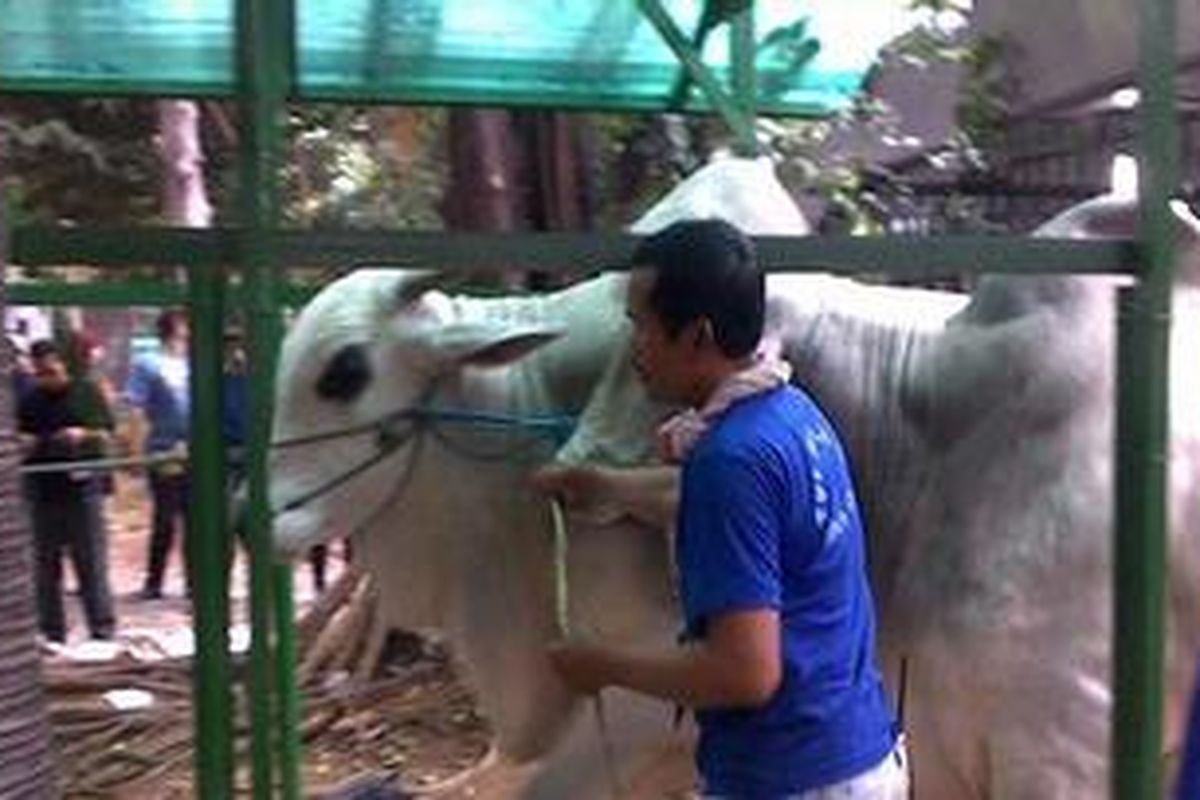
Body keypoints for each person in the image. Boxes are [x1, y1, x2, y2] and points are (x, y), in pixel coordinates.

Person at [532, 219, 906, 798]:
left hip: (790, 779)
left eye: (642, 326)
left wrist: (602, 665)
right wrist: (604, 485)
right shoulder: (790, 413)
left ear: (697, 335)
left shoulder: (728, 462)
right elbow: (744, 520)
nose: (635, 349)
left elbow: (746, 673)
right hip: (855, 759)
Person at [18, 339, 117, 642]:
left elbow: (108, 434)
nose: (47, 377)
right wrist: (25, 442)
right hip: (43, 491)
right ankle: (52, 631)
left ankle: (101, 629)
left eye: (52, 370)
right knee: (45, 568)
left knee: (90, 563)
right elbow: (18, 434)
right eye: (40, 373)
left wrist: (83, 435)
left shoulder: (86, 393)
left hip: (82, 488)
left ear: (63, 364)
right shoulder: (29, 399)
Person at [125, 309, 190, 600]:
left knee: (197, 520)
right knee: (165, 518)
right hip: (163, 450)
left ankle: (195, 582)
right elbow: (137, 409)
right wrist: (137, 451)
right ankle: (154, 581)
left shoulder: (196, 361)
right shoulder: (147, 363)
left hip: (197, 450)